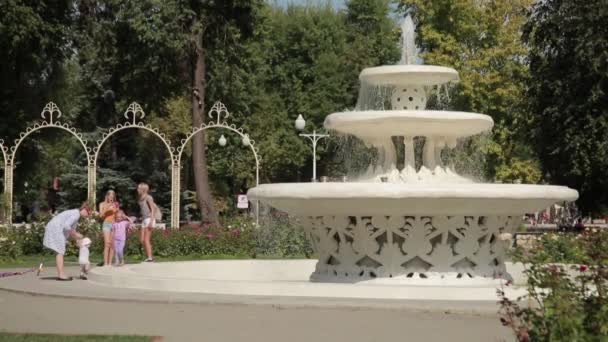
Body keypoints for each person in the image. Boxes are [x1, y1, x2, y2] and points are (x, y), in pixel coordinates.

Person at [42, 203, 91, 280]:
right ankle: (61, 275)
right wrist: (76, 234)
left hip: (54, 227)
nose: (88, 215)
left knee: (59, 251)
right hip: (56, 229)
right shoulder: (76, 214)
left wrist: (78, 239)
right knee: (60, 251)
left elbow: (71, 230)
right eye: (88, 213)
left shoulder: (75, 214)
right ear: (84, 209)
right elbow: (66, 226)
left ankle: (61, 274)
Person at [137, 183, 158, 262]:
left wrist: (151, 221)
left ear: (143, 189)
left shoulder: (148, 197)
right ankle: (149, 256)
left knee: (146, 240)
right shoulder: (140, 198)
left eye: (139, 188)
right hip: (144, 220)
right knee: (142, 240)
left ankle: (150, 258)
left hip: (149, 219)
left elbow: (153, 209)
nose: (137, 190)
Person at [99, 190, 119, 266]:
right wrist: (107, 206)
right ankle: (105, 263)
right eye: (110, 196)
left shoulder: (116, 204)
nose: (111, 198)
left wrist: (116, 210)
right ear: (107, 196)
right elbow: (101, 216)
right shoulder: (102, 204)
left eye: (112, 196)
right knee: (107, 243)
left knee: (112, 244)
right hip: (106, 224)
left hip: (114, 224)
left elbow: (117, 216)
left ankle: (110, 263)